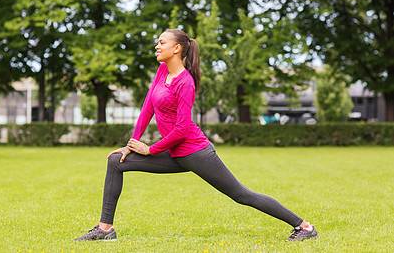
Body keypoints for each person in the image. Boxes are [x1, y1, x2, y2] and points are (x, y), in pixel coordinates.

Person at [75, 29, 318, 242]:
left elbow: (182, 129)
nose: (157, 46)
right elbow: (148, 106)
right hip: (172, 153)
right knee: (115, 162)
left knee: (241, 195)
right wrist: (131, 145)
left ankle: (304, 226)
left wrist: (150, 149)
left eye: (162, 42)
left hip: (195, 152)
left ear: (177, 48)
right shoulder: (162, 71)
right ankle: (105, 229)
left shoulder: (185, 82)